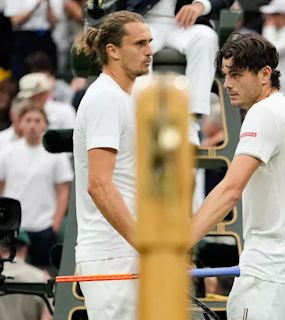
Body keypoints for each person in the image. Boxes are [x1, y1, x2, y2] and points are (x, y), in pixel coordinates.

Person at [190, 32, 285, 320]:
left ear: (265, 74)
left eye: (237, 74)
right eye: (226, 75)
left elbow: (230, 190)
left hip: (269, 275)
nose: (227, 84)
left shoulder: (264, 114)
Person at [72, 11, 153, 320]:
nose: (149, 51)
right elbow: (100, 185)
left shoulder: (123, 98)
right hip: (112, 255)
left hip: (125, 251)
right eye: (139, 44)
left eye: (150, 42)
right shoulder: (106, 98)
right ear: (113, 50)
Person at [128, 0, 234, 144]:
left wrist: (201, 5)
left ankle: (190, 124)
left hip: (187, 24)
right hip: (143, 21)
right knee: (137, 43)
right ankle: (143, 124)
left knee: (206, 39)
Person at [0, 104, 73, 270]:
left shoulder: (56, 155)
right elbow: (1, 186)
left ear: (44, 124)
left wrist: (55, 224)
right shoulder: (7, 153)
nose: (32, 125)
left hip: (44, 226)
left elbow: (63, 191)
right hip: (14, 226)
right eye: (28, 120)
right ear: (20, 124)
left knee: (43, 272)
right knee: (10, 271)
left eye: (37, 120)